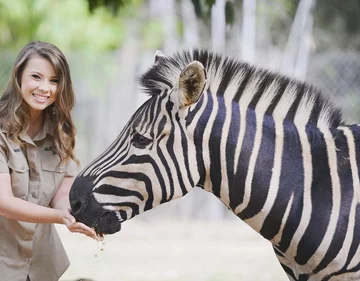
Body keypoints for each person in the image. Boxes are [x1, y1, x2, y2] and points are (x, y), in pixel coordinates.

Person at [0, 41, 98, 281]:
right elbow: (4, 203)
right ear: (18, 76)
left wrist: (75, 214)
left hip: (42, 267)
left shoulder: (62, 134)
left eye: (54, 80)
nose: (45, 88)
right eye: (36, 77)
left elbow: (60, 196)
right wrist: (59, 218)